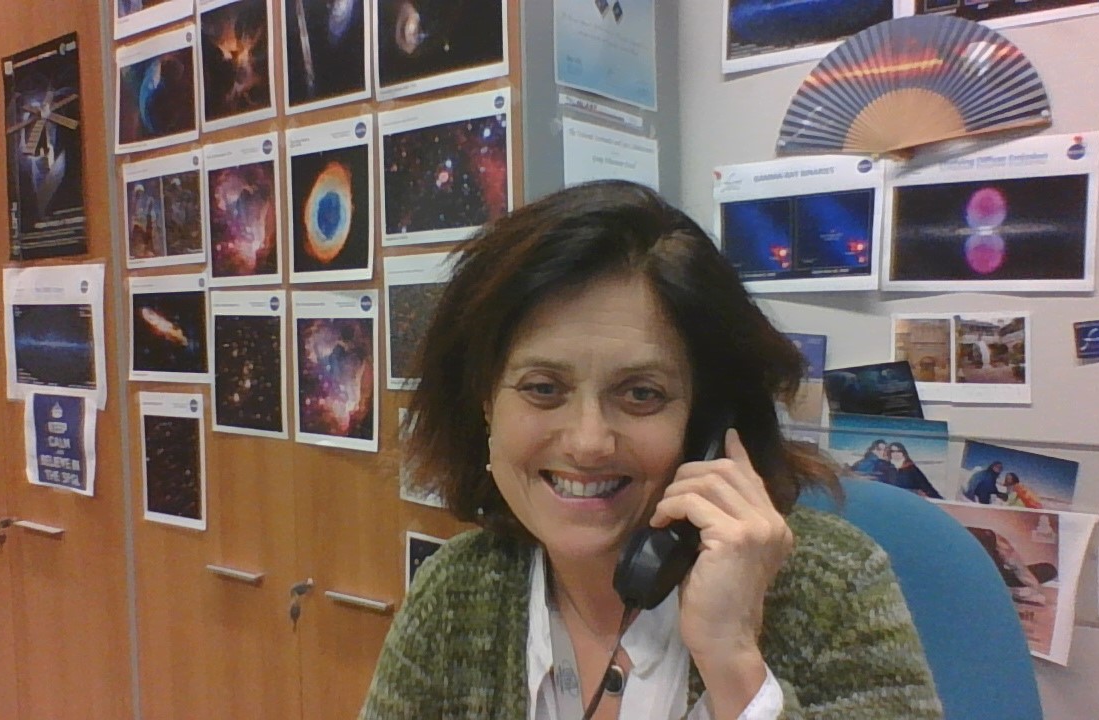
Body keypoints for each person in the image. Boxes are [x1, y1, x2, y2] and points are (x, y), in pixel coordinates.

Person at [360, 181, 941, 719]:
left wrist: (734, 662)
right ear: (486, 403)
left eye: (641, 393)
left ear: (707, 418)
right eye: (543, 389)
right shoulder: (458, 591)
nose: (588, 442)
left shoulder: (833, 586)